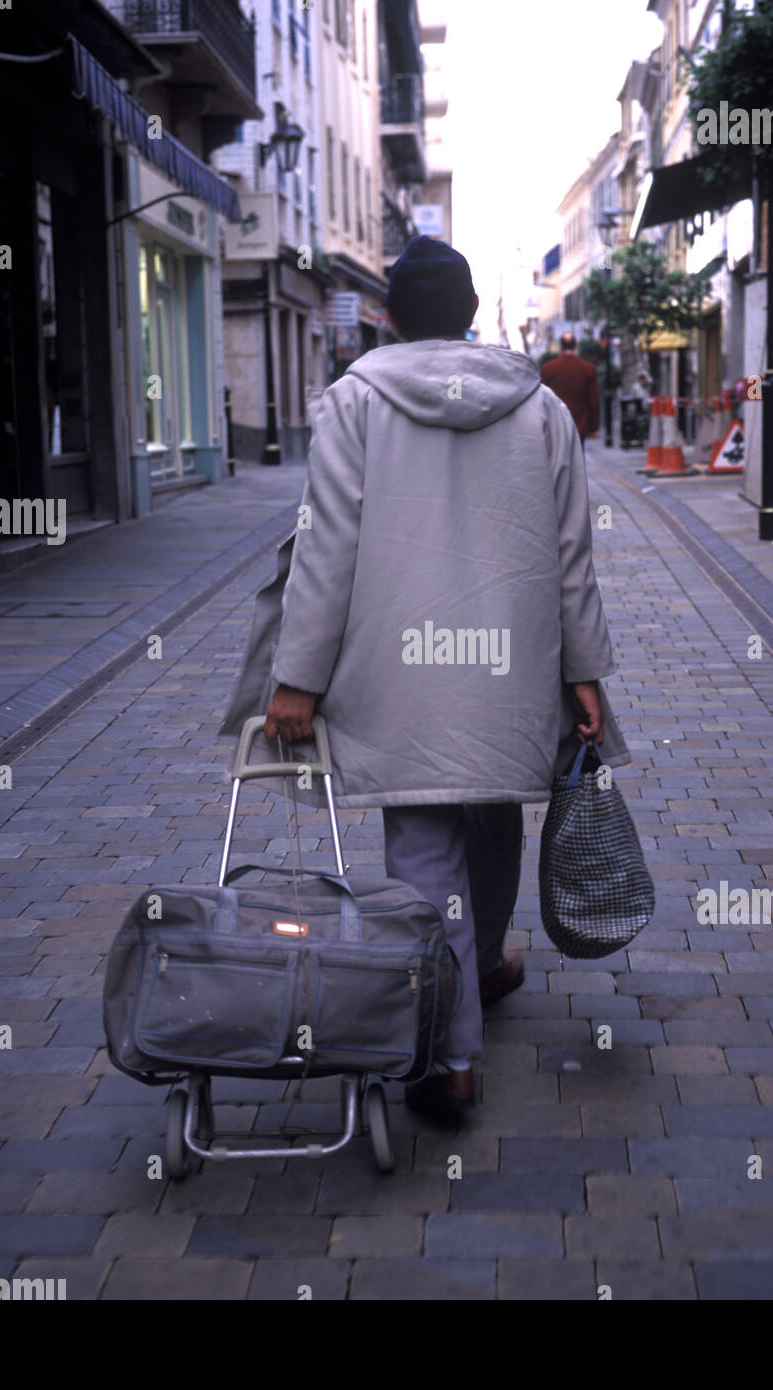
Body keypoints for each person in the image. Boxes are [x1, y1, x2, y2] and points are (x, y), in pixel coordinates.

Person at [260, 236, 626, 1118]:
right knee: (494, 813)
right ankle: (486, 959)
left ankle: (449, 1054)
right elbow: (572, 556)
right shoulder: (537, 408)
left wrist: (297, 678)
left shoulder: (354, 401)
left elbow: (325, 548)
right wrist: (584, 671)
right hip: (509, 668)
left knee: (424, 847)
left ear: (387, 316)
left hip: (400, 672)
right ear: (469, 317)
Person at [540, 331, 600, 447]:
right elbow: (593, 399)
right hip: (580, 423)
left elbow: (542, 399)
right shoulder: (588, 368)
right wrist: (594, 427)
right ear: (575, 345)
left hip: (556, 423)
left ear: (561, 345)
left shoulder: (548, 368)